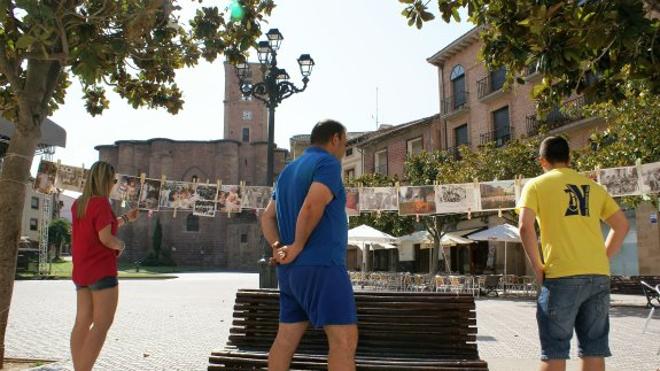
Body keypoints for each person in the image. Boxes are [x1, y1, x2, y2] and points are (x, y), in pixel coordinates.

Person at [517, 136, 629, 371]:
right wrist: (603, 258)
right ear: (569, 158)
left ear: (542, 161)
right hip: (597, 276)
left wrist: (538, 267)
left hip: (561, 276)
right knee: (594, 349)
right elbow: (622, 225)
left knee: (555, 350)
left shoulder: (536, 185)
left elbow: (525, 227)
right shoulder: (595, 188)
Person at [260, 119, 358, 371]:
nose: (343, 149)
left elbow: (267, 217)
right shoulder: (327, 163)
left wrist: (278, 245)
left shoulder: (287, 172)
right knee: (344, 341)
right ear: (334, 138)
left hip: (290, 273)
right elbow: (312, 205)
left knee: (284, 342)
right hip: (322, 266)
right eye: (344, 143)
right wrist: (298, 245)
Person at [70, 161, 139, 371]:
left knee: (82, 323)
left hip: (82, 272)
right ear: (105, 180)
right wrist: (121, 245)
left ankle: (79, 368)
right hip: (101, 271)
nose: (115, 182)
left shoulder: (79, 204)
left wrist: (126, 218)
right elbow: (106, 237)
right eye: (114, 179)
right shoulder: (101, 203)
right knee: (102, 324)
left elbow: (98, 226)